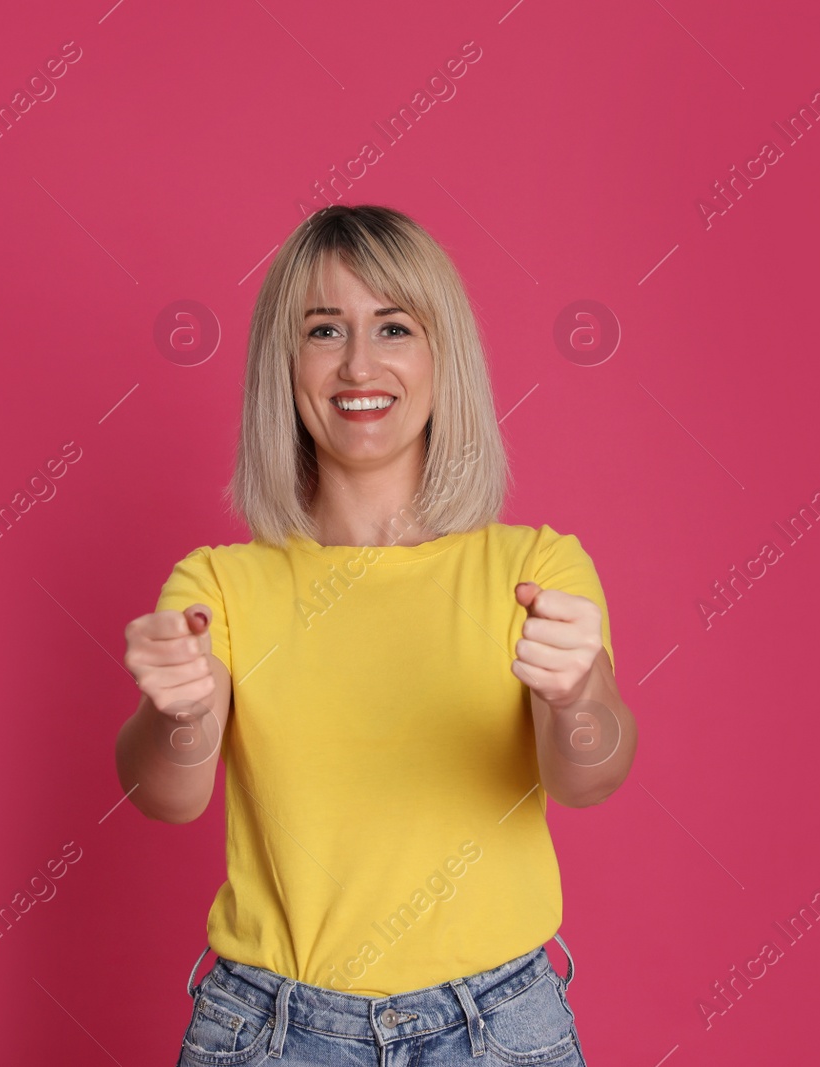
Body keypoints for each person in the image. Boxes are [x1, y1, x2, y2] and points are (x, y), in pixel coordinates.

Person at [115, 204, 636, 1066]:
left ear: (443, 356)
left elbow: (588, 776)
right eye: (325, 329)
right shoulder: (220, 586)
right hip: (271, 1030)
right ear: (284, 365)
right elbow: (168, 794)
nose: (359, 363)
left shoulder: (536, 568)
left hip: (496, 1028)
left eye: (394, 326)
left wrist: (578, 691)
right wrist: (177, 711)